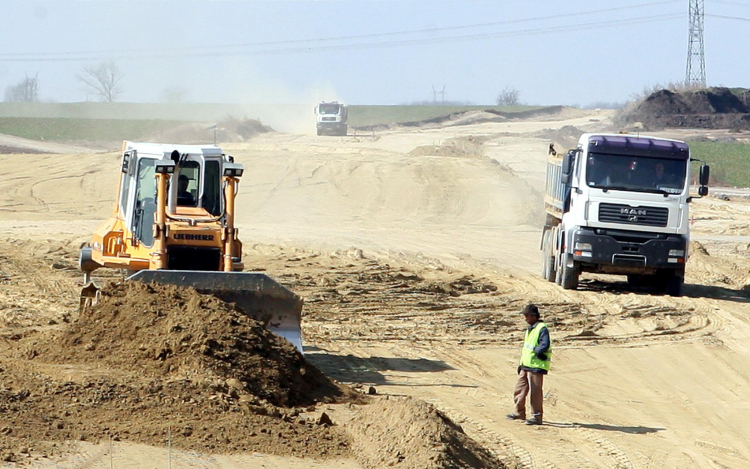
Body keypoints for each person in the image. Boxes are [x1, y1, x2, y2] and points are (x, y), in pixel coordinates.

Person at [506, 304, 552, 425]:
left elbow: (544, 344)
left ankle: (537, 417)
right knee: (519, 389)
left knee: (535, 392)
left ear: (534, 316)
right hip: (526, 365)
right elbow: (527, 349)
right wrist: (521, 365)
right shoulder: (530, 329)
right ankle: (519, 413)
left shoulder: (542, 328)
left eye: (526, 315)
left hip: (536, 366)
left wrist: (538, 352)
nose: (525, 318)